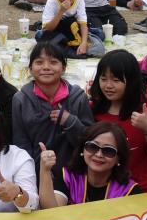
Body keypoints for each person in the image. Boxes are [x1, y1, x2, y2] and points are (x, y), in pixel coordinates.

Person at [89, 50, 147, 192]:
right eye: (103, 78)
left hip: (139, 188)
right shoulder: (94, 107)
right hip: (102, 188)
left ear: (131, 81)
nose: (108, 86)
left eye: (116, 80)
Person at [12, 42, 94, 173]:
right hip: (37, 170)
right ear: (30, 68)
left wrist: (71, 122)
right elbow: (21, 143)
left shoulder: (77, 98)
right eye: (39, 62)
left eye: (53, 62)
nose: (46, 67)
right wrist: (28, 173)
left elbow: (90, 140)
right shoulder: (21, 100)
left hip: (73, 172)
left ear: (64, 68)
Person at [38, 122, 140, 208]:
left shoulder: (129, 191)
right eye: (92, 147)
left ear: (119, 158)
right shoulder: (68, 177)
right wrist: (45, 170)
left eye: (108, 151)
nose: (99, 154)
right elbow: (52, 210)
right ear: (83, 149)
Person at [37, 0, 104, 58]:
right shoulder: (51, 1)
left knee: (100, 34)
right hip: (57, 31)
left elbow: (83, 24)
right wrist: (61, 11)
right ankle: (69, 46)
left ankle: (72, 45)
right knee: (40, 35)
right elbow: (48, 28)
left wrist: (84, 43)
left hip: (75, 31)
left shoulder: (79, 0)